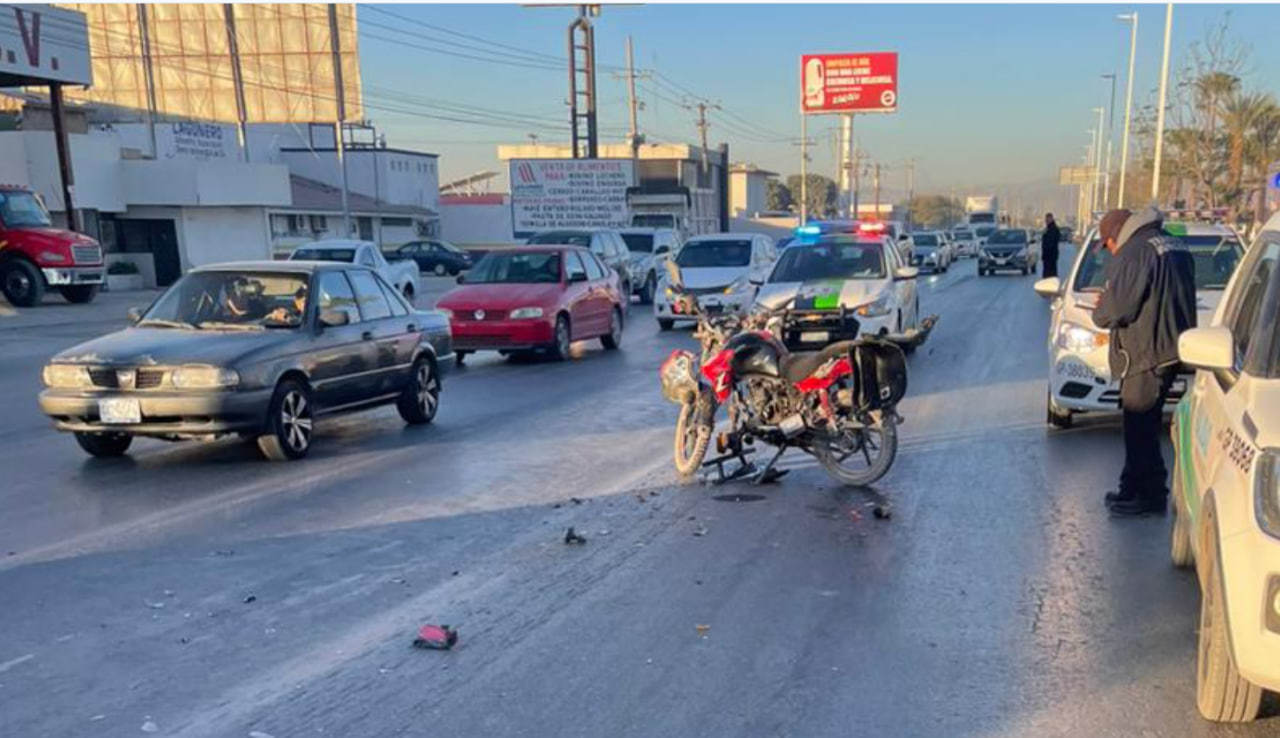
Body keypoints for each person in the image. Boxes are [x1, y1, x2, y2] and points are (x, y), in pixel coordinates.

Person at [1091, 207, 1197, 517]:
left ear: (1115, 237)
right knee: (1140, 423)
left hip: (1146, 351)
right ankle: (1131, 487)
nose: (1110, 253)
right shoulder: (1171, 243)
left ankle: (1149, 496)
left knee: (1140, 426)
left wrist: (1101, 308)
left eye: (1108, 246)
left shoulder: (1134, 252)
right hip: (1172, 346)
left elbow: (1117, 309)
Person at [1041, 213, 1061, 278]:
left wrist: (1046, 251)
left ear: (1051, 219)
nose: (1046, 221)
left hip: (1050, 255)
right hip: (1049, 256)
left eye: (1048, 219)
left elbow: (1051, 243)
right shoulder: (1048, 229)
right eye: (1046, 219)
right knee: (1049, 273)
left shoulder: (1053, 229)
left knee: (1050, 274)